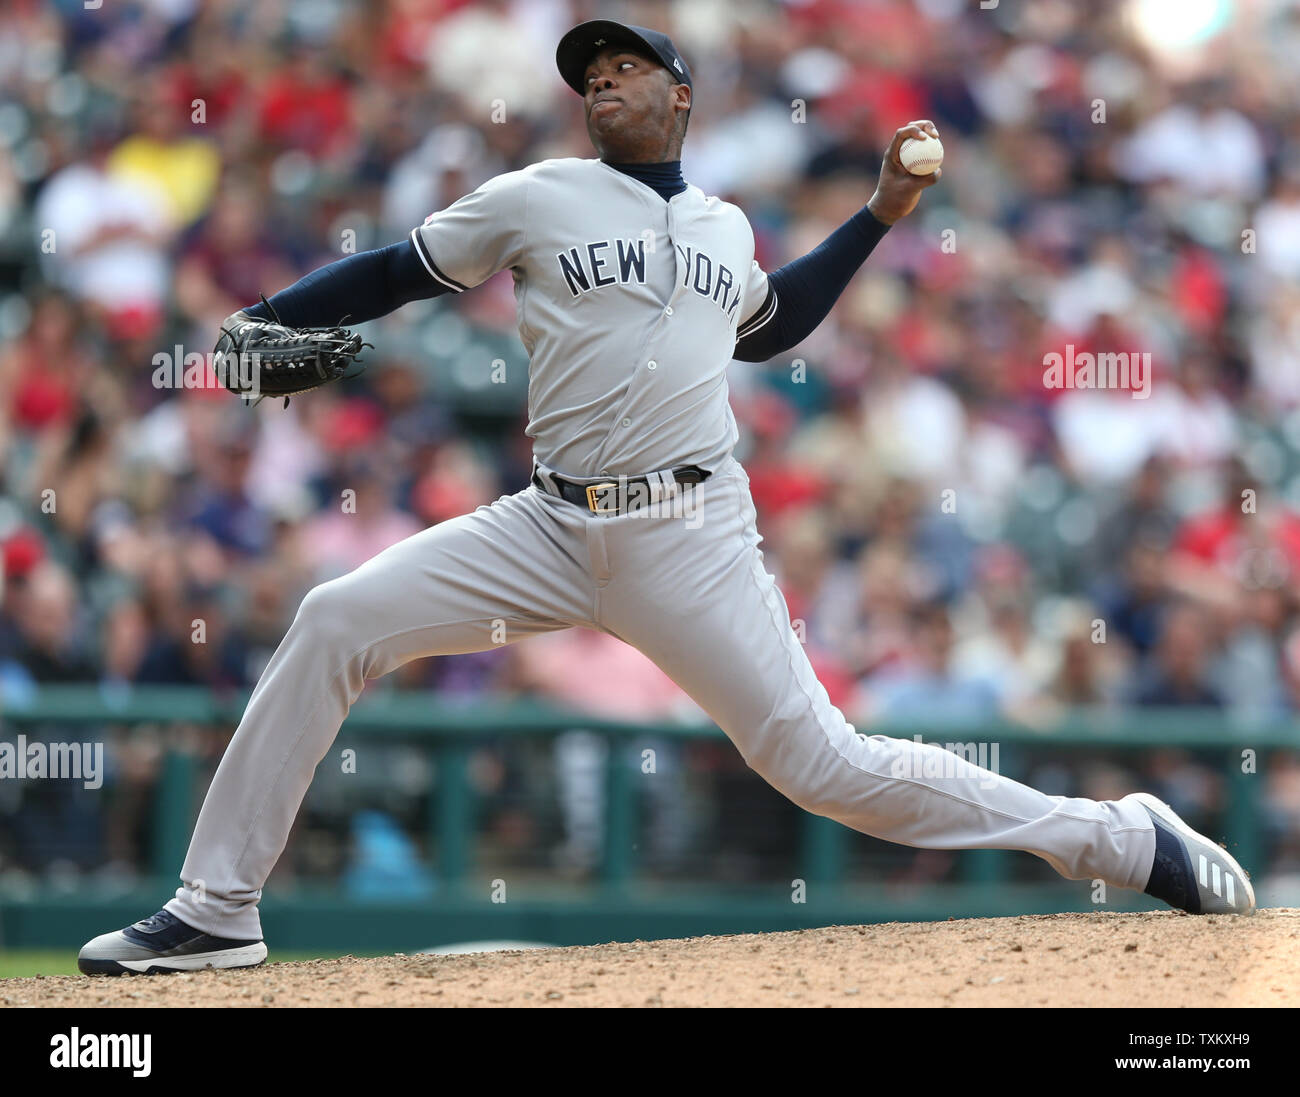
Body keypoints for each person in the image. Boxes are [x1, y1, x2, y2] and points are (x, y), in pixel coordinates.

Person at [79, 20, 1253, 975]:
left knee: (823, 764)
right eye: (590, 72)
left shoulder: (721, 224)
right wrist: (276, 317)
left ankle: (1118, 837)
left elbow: (772, 324)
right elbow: (396, 270)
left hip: (691, 530)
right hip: (544, 523)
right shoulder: (535, 194)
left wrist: (880, 213)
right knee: (335, 615)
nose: (603, 83)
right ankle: (216, 906)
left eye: (626, 66)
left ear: (679, 94)